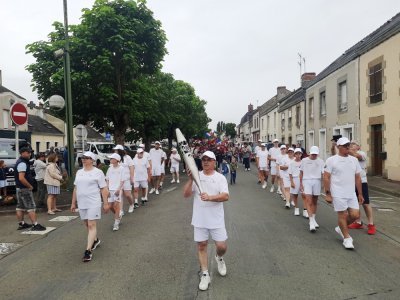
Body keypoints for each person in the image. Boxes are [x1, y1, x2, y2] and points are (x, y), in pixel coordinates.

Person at [183, 151, 229, 291]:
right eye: (203, 159)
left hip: (216, 219)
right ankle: (205, 274)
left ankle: (219, 258)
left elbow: (225, 196)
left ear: (214, 162)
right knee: (202, 245)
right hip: (200, 219)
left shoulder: (220, 178)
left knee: (221, 246)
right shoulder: (197, 177)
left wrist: (210, 197)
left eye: (209, 159)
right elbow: (186, 195)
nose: (206, 162)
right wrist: (191, 179)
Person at [324, 137, 364, 250]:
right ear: (338, 147)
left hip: (351, 193)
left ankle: (340, 227)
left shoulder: (354, 160)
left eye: (348, 145)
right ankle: (346, 238)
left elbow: (357, 178)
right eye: (345, 145)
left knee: (355, 215)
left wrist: (360, 194)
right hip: (337, 192)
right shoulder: (331, 160)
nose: (347, 147)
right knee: (341, 215)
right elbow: (326, 177)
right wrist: (328, 193)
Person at [71, 151, 109, 262]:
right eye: (83, 157)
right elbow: (75, 188)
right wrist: (73, 203)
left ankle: (88, 251)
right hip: (82, 203)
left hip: (94, 202)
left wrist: (106, 203)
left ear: (92, 160)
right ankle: (95, 240)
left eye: (87, 158)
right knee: (87, 224)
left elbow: (103, 189)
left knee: (92, 224)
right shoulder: (79, 172)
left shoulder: (98, 172)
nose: (84, 159)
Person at [14, 147, 46, 231]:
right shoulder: (22, 163)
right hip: (24, 188)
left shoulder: (20, 162)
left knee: (20, 207)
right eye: (28, 152)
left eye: (30, 152)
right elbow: (21, 178)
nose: (30, 154)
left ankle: (21, 224)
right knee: (30, 206)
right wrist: (29, 186)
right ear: (22, 153)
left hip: (19, 188)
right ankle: (35, 224)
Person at [348, 141, 376, 234]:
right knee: (355, 203)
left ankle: (371, 224)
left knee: (365, 203)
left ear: (359, 147)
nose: (351, 145)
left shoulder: (361, 154)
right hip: (352, 182)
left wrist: (348, 149)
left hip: (362, 181)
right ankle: (358, 222)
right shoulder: (348, 156)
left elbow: (357, 156)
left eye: (354, 144)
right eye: (350, 144)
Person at [299, 146, 324, 232]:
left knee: (314, 201)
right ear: (310, 153)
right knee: (308, 201)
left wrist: (324, 184)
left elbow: (323, 174)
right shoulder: (304, 160)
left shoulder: (321, 161)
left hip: (317, 181)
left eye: (315, 154)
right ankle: (311, 221)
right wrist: (301, 184)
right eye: (313, 154)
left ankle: (313, 218)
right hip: (307, 181)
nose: (314, 155)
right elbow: (301, 172)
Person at [113, 145, 135, 214]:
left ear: (120, 151)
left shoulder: (127, 158)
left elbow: (131, 168)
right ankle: (121, 210)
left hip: (126, 179)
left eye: (116, 150)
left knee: (127, 194)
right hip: (118, 180)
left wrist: (132, 178)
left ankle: (131, 204)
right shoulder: (115, 158)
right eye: (115, 150)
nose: (115, 151)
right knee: (119, 195)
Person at [105, 153, 124, 231]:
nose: (110, 160)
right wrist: (107, 189)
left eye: (112, 159)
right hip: (110, 190)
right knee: (111, 206)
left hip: (117, 190)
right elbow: (107, 179)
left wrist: (119, 189)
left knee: (116, 206)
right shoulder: (110, 168)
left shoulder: (121, 168)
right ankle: (118, 215)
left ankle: (116, 223)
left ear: (117, 160)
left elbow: (122, 180)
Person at [289, 148, 303, 216]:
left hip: (303, 180)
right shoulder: (291, 163)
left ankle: (305, 210)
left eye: (299, 153)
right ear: (294, 154)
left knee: (304, 195)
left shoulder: (303, 162)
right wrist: (292, 182)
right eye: (296, 153)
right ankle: (296, 208)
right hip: (295, 179)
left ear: (301, 154)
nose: (298, 155)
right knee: (295, 195)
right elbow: (290, 173)